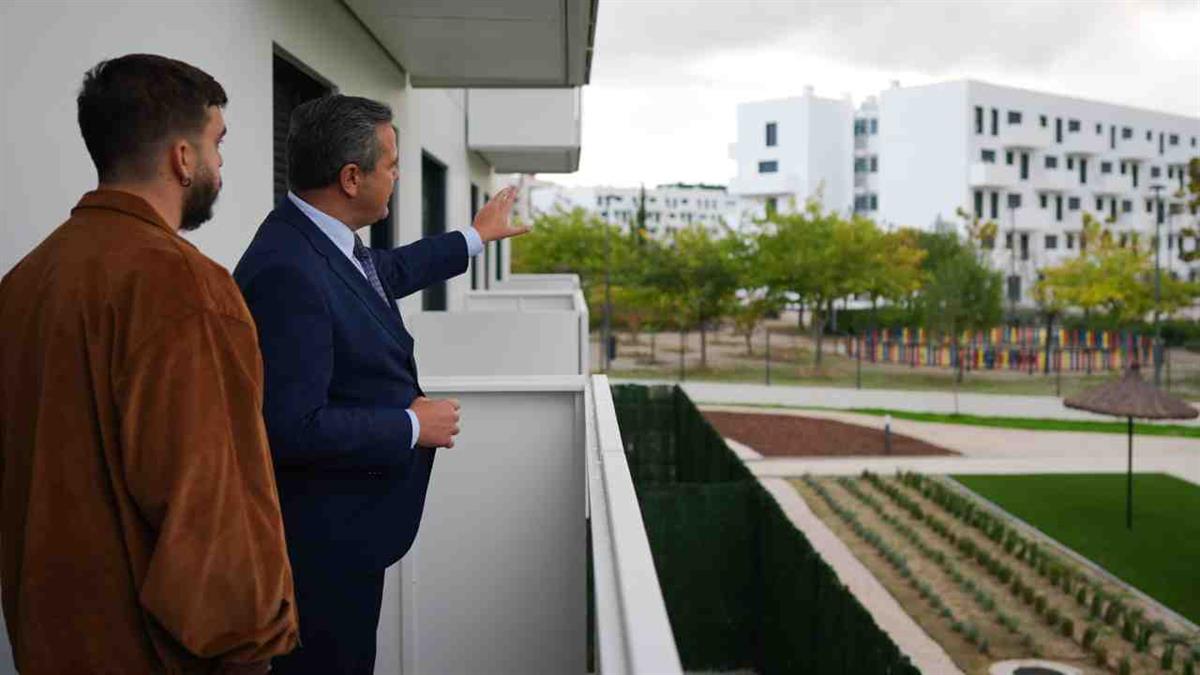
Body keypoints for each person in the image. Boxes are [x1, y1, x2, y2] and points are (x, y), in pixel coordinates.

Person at [0, 54, 299, 674]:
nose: (219, 164)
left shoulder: (24, 282)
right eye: (216, 144)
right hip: (153, 654)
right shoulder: (185, 288)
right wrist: (250, 654)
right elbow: (213, 504)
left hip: (47, 643)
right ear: (182, 159)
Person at [234, 95, 528, 674]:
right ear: (350, 177)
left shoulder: (318, 239)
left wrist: (472, 237)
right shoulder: (287, 269)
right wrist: (413, 425)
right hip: (318, 549)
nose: (397, 176)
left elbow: (383, 276)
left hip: (345, 536)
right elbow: (290, 426)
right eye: (391, 164)